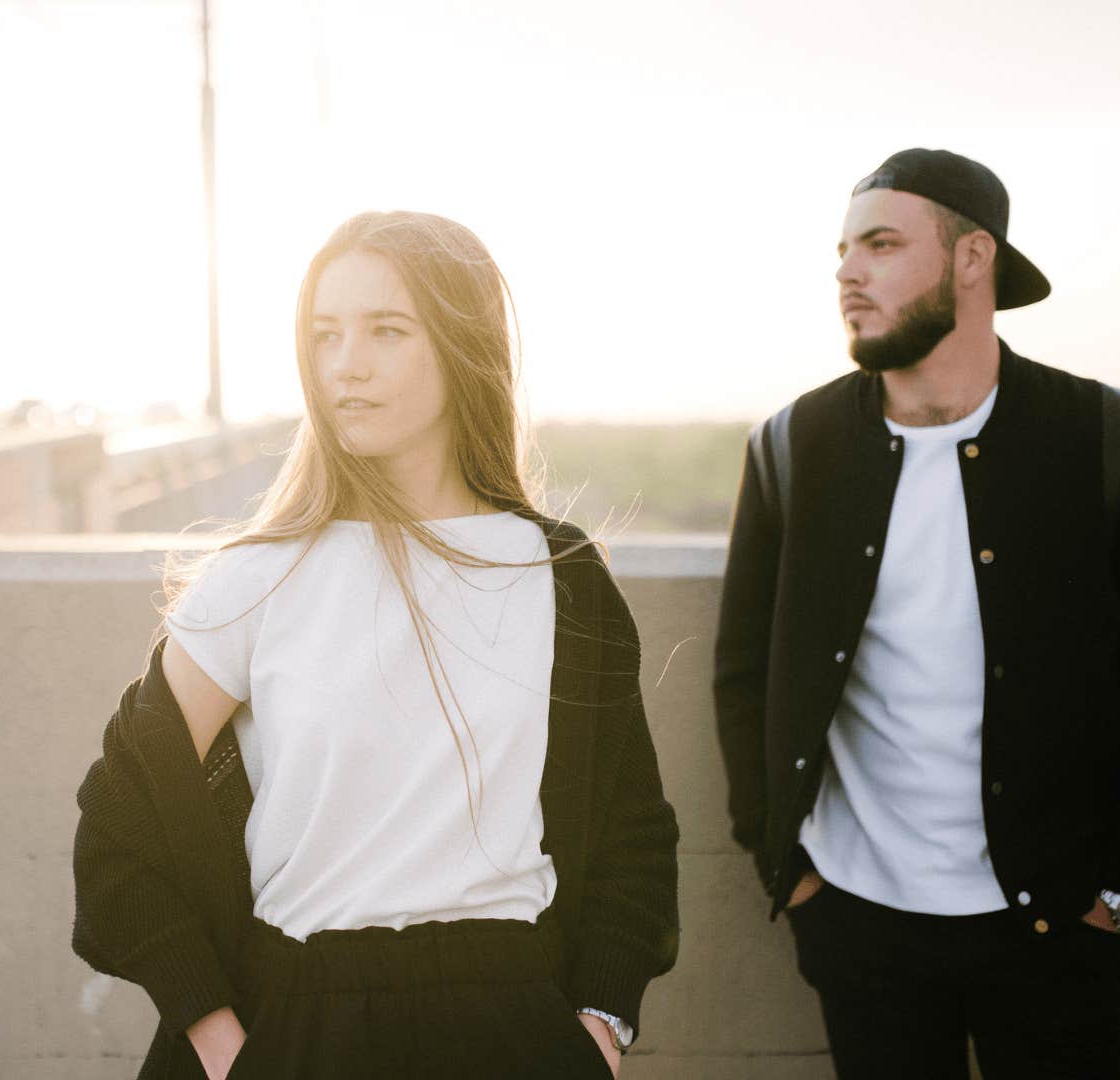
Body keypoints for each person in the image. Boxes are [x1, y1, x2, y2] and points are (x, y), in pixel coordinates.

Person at [73, 210, 679, 1079]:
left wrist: (600, 1027)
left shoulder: (560, 573)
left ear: (465, 346)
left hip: (514, 1023)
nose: (344, 364)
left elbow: (633, 833)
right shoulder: (260, 578)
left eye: (386, 331)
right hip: (305, 1028)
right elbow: (117, 825)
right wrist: (218, 1041)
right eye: (325, 335)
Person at [712, 149, 1120, 1079]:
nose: (847, 272)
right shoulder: (792, 447)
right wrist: (783, 868)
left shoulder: (1115, 441)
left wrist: (1119, 890)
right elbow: (744, 675)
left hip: (1052, 929)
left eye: (880, 243)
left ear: (971, 258)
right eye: (842, 249)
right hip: (859, 924)